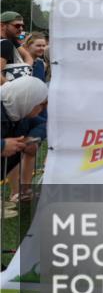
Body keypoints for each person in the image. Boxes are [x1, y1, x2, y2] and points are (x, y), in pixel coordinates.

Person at [6, 33, 48, 202]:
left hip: (36, 109)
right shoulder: (17, 64)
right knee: (14, 149)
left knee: (31, 148)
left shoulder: (41, 64)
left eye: (43, 45)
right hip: (20, 109)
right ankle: (16, 192)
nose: (42, 48)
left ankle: (25, 190)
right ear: (28, 45)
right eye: (38, 45)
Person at [1, 12, 33, 84]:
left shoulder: (11, 40)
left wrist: (24, 70)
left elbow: (27, 56)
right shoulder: (5, 43)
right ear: (2, 25)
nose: (21, 29)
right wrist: (13, 87)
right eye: (17, 26)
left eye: (22, 26)